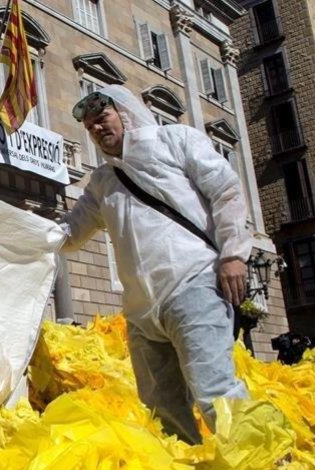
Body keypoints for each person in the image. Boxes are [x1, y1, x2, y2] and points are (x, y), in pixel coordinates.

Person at [59, 85, 253, 446]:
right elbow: (70, 232)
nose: (97, 129)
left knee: (216, 394)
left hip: (194, 285)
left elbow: (225, 190)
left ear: (125, 113)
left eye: (102, 118)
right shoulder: (102, 181)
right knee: (162, 409)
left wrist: (232, 255)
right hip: (140, 313)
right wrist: (8, 228)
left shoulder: (174, 140)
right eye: (90, 127)